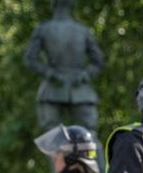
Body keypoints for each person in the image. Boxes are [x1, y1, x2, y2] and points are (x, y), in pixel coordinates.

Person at [24, 0, 105, 134]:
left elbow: (30, 59)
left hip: (53, 89)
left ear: (53, 5)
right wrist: (85, 75)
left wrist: (50, 73)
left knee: (52, 136)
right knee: (89, 134)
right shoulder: (82, 30)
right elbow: (98, 62)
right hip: (78, 88)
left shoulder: (43, 29)